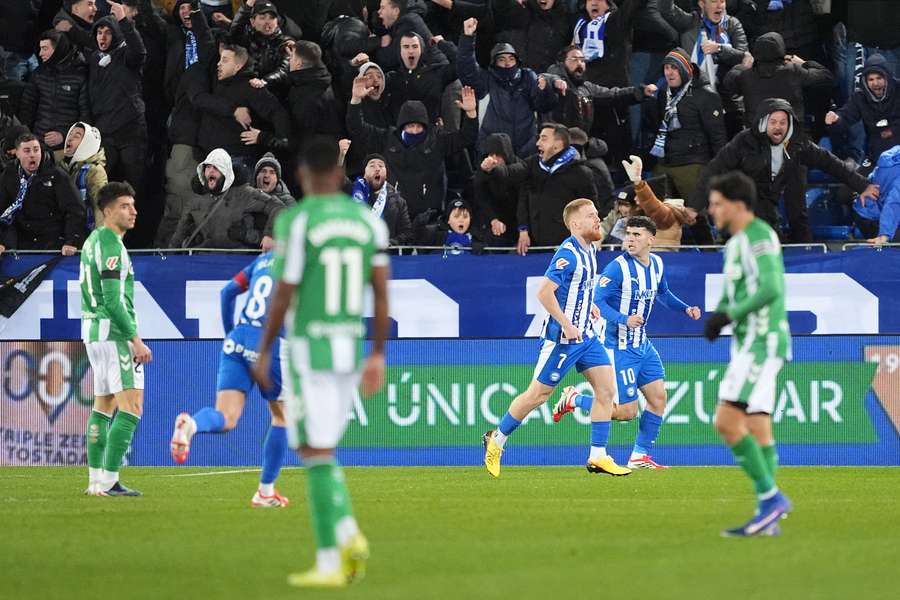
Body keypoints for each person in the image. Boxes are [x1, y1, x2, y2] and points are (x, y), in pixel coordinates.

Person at [252, 138, 390, 588]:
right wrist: (377, 354)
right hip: (349, 349)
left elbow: (284, 292)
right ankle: (348, 534)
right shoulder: (366, 222)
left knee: (313, 451)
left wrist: (265, 349)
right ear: (340, 173)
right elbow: (381, 292)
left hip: (310, 349)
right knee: (321, 448)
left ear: (303, 176)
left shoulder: (296, 220)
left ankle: (332, 557)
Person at [483, 198, 628, 477]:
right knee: (538, 395)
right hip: (562, 339)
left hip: (586, 336)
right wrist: (566, 323)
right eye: (591, 215)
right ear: (575, 224)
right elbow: (544, 292)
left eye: (596, 214)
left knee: (606, 391)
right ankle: (496, 439)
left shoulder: (590, 249)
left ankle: (598, 455)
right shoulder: (568, 254)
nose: (598, 219)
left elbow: (579, 288)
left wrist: (589, 306)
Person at [554, 209, 701, 469]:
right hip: (618, 347)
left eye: (636, 235)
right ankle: (575, 399)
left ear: (651, 240)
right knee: (627, 412)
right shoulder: (617, 268)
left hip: (642, 344)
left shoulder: (657, 264)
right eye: (628, 234)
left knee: (658, 398)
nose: (630, 239)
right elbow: (596, 301)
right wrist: (624, 319)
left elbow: (663, 293)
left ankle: (639, 456)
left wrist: (685, 308)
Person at [703, 171, 792, 537]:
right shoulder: (735, 244)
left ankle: (771, 499)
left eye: (717, 204)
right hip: (747, 343)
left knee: (726, 421)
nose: (711, 210)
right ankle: (767, 516)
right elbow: (733, 293)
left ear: (737, 205)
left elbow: (771, 287)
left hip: (762, 341)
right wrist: (719, 316)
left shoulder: (759, 236)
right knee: (757, 426)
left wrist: (730, 315)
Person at [169, 251, 291, 507]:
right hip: (270, 341)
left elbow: (227, 292)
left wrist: (230, 335)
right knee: (282, 416)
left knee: (226, 417)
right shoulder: (305, 260)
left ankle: (191, 424)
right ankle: (265, 492)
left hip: (238, 338)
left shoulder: (263, 260)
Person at [700, 98, 878, 241]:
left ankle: (804, 257)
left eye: (783, 122)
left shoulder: (799, 144)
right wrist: (695, 206)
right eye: (773, 122)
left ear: (789, 124)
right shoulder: (745, 141)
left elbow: (832, 163)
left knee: (795, 218)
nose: (778, 127)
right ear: (764, 123)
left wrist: (862, 185)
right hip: (751, 200)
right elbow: (715, 168)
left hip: (780, 196)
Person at [81, 181, 152, 497]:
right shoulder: (111, 245)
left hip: (93, 333)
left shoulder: (93, 241)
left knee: (103, 406)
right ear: (107, 211)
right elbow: (112, 301)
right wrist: (135, 339)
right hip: (114, 335)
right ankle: (110, 481)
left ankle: (95, 481)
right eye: (125, 206)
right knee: (131, 407)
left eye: (133, 205)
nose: (133, 211)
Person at [346, 80, 478, 221]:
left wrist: (471, 113)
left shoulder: (437, 140)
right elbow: (358, 129)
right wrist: (356, 100)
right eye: (410, 126)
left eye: (418, 126)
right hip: (394, 215)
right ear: (402, 126)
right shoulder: (388, 139)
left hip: (430, 216)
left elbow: (466, 137)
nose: (414, 131)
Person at [644, 47, 726, 244]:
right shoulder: (663, 93)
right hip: (664, 161)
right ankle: (664, 252)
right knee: (656, 214)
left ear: (685, 69)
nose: (669, 73)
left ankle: (708, 252)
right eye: (666, 68)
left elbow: (717, 136)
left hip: (693, 163)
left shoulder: (706, 95)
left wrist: (719, 169)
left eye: (674, 68)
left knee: (695, 216)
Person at [480, 123, 598, 255]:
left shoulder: (581, 173)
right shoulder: (532, 164)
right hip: (536, 244)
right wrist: (493, 169)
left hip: (568, 247)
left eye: (544, 138)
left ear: (557, 144)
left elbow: (592, 209)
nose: (538, 143)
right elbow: (513, 174)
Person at [87, 3, 149, 242]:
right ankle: (106, 235)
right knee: (103, 187)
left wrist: (124, 20)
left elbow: (139, 51)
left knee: (134, 188)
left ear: (116, 34)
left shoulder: (126, 55)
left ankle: (134, 240)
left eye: (107, 32)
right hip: (105, 131)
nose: (102, 37)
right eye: (99, 32)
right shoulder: (94, 59)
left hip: (131, 131)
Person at [458, 17, 557, 158]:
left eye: (511, 59)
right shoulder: (487, 79)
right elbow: (467, 69)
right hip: (494, 150)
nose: (507, 63)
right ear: (494, 63)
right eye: (501, 59)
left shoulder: (527, 76)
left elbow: (543, 106)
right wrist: (467, 38)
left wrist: (546, 89)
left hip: (527, 148)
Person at [194, 43, 291, 170]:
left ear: (238, 66)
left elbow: (278, 113)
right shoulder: (218, 84)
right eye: (220, 59)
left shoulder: (250, 87)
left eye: (225, 60)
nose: (219, 64)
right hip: (211, 158)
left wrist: (263, 137)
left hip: (236, 160)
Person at [169, 147, 284, 249]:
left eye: (216, 168)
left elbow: (278, 206)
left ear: (226, 172)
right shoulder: (196, 200)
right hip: (204, 258)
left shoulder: (244, 193)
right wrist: (169, 258)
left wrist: (269, 235)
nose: (211, 170)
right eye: (208, 167)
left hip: (238, 260)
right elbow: (178, 237)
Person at [723, 31, 832, 129]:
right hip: (790, 133)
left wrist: (744, 66)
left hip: (757, 136)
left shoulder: (746, 75)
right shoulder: (793, 71)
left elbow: (728, 83)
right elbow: (826, 76)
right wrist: (804, 63)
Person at [0, 133, 85, 254]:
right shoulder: (9, 175)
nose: (32, 155)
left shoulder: (57, 175)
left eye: (36, 150)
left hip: (53, 241)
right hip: (21, 241)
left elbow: (75, 209)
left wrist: (71, 241)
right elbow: (3, 210)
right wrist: (2, 241)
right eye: (27, 151)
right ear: (17, 153)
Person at [544, 45, 655, 136]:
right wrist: (554, 81)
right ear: (562, 63)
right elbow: (545, 78)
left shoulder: (587, 88)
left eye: (582, 60)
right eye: (574, 59)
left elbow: (613, 94)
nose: (579, 63)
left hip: (579, 141)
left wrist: (641, 91)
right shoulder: (552, 83)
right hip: (555, 141)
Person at [19, 30, 91, 159]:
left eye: (45, 48)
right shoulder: (38, 74)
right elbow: (27, 110)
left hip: (68, 149)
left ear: (58, 49)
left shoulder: (80, 75)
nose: (40, 53)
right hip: (39, 146)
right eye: (40, 49)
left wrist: (64, 136)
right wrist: (27, 139)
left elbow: (86, 116)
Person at [826, 54, 900, 167]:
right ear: (865, 81)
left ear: (887, 77)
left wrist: (892, 131)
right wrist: (836, 119)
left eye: (879, 78)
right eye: (871, 79)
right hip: (878, 154)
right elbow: (846, 115)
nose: (875, 83)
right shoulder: (859, 97)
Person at [384, 32, 458, 125]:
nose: (411, 51)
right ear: (399, 51)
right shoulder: (391, 79)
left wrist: (442, 43)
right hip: (399, 132)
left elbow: (461, 65)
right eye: (406, 47)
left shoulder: (435, 73)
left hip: (430, 131)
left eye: (415, 47)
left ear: (421, 50)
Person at [286, 40, 344, 146]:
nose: (289, 59)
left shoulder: (305, 97)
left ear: (299, 63)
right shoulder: (322, 77)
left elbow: (301, 137)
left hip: (318, 150)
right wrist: (298, 50)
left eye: (292, 57)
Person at [349, 153, 413, 245]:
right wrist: (341, 156)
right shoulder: (350, 192)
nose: (377, 169)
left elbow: (406, 232)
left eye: (381, 166)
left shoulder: (398, 201)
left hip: (386, 252)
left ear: (386, 174)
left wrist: (391, 243)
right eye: (372, 166)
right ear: (364, 173)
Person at [228, 1, 292, 90]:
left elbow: (284, 70)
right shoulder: (247, 37)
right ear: (252, 21)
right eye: (262, 18)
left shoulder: (285, 42)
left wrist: (264, 81)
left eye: (272, 18)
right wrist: (247, 7)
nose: (268, 22)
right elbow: (234, 32)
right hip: (244, 86)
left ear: (277, 21)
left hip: (271, 90)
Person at [62, 122, 109, 230]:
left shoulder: (95, 171)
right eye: (70, 134)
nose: (69, 138)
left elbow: (100, 207)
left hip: (87, 232)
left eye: (76, 136)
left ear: (87, 143)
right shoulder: (66, 166)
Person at [853, 144, 900, 245]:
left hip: (864, 210)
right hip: (874, 216)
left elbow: (873, 176)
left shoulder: (894, 153)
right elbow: (893, 203)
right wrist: (885, 235)